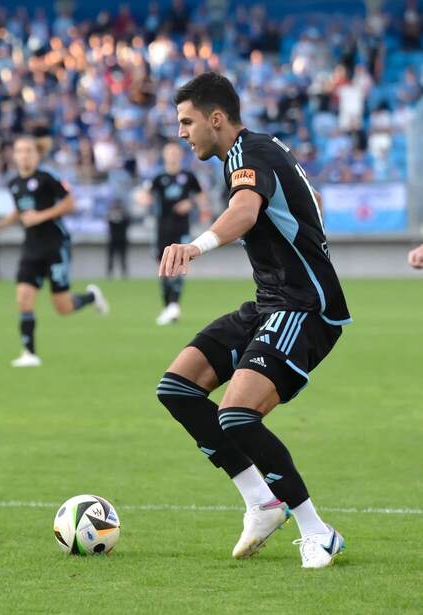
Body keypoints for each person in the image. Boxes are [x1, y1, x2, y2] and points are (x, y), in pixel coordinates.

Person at [158, 72, 351, 569]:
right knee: (178, 387)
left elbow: (244, 211)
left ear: (216, 119)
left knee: (237, 415)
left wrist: (194, 247)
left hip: (303, 307)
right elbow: (305, 202)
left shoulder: (248, 154)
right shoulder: (261, 151)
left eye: (187, 121)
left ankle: (317, 531)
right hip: (270, 302)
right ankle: (261, 502)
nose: (181, 132)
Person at [0, 135, 110, 368]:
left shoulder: (48, 178)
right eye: (20, 151)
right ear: (14, 155)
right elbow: (20, 211)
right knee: (23, 298)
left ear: (36, 155)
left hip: (55, 245)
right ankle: (29, 353)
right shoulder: (14, 183)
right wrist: (1, 224)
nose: (24, 155)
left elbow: (69, 204)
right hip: (31, 247)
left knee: (62, 307)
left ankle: (92, 296)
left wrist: (40, 217)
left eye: (28, 151)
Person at [144, 143, 209, 324]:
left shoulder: (188, 177)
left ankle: (174, 305)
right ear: (164, 156)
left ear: (180, 155)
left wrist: (193, 204)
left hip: (182, 228)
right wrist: (145, 199)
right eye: (169, 153)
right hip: (162, 228)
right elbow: (144, 196)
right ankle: (168, 307)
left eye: (175, 153)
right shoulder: (158, 177)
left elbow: (201, 197)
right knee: (163, 268)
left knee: (179, 266)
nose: (172, 156)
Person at [106, 200, 130, 278]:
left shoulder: (124, 216)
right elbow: (109, 224)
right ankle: (109, 273)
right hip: (113, 240)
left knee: (123, 258)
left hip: (122, 240)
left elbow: (128, 223)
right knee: (111, 258)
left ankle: (124, 274)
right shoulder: (111, 216)